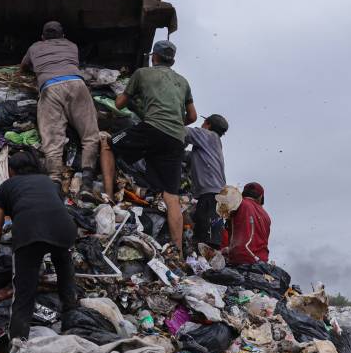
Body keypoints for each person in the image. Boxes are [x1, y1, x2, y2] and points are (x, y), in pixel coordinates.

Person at [100, 39, 196, 255]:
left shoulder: (142, 74)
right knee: (171, 196)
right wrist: (173, 123)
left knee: (108, 143)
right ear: (172, 60)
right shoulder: (183, 81)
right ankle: (178, 252)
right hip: (176, 139)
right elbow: (192, 116)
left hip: (151, 128)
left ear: (154, 57)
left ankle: (106, 197)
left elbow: (119, 104)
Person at [0, 152, 79, 341]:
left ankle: (18, 345)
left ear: (11, 171)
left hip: (29, 234)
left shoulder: (5, 187)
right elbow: (53, 209)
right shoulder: (49, 182)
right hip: (64, 229)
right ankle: (73, 323)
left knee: (24, 294)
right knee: (64, 265)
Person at [20, 21, 101, 185]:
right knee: (89, 134)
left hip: (49, 88)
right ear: (63, 35)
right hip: (76, 85)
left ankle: (55, 180)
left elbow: (23, 67)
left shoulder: (34, 47)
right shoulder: (72, 45)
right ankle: (87, 179)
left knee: (52, 138)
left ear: (42, 37)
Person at [186, 114, 228, 248]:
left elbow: (180, 131)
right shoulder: (214, 143)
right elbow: (190, 157)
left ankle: (205, 266)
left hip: (211, 197)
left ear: (208, 124)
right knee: (209, 239)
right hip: (217, 198)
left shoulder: (206, 135)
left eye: (204, 122)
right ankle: (206, 267)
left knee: (205, 243)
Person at [223, 182, 271, 266]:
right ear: (261, 197)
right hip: (261, 262)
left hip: (240, 259)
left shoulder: (239, 203)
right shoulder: (266, 216)